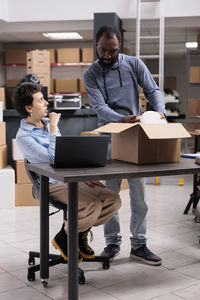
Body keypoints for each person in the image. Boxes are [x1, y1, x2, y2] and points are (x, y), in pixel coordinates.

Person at [83, 25, 166, 266]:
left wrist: (159, 111)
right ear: (96, 46)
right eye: (103, 51)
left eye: (113, 51)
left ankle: (139, 245)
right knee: (111, 194)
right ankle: (112, 242)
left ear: (120, 47)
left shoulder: (134, 64)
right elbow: (100, 108)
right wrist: (121, 118)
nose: (108, 56)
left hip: (135, 135)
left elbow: (153, 90)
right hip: (109, 136)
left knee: (139, 195)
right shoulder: (91, 73)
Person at [14, 82, 121, 262]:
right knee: (92, 205)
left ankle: (73, 234)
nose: (47, 103)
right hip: (51, 184)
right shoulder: (24, 137)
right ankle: (67, 236)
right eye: (41, 100)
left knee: (112, 200)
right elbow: (54, 158)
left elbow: (65, 157)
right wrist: (54, 128)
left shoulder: (48, 124)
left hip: (69, 179)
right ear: (29, 108)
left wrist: (83, 178)